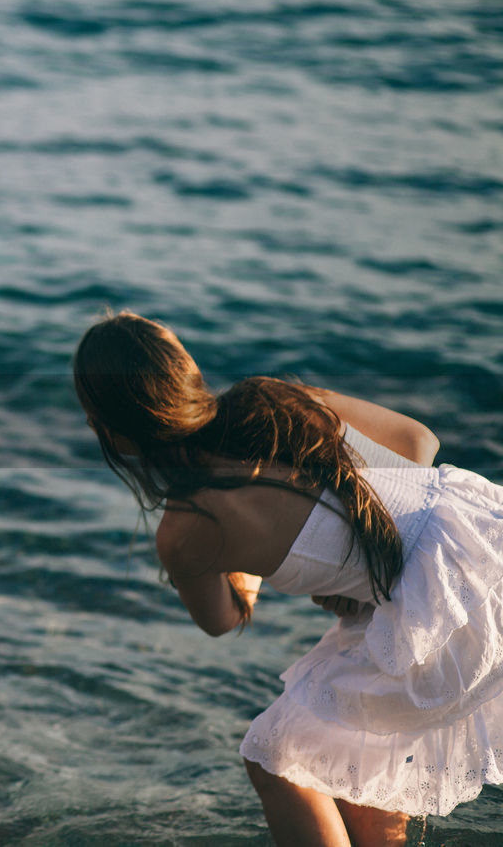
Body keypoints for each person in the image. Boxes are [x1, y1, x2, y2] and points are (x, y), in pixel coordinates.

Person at [72, 311, 503, 847]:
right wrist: (371, 553)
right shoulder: (273, 401)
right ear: (187, 374)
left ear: (109, 430)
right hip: (479, 540)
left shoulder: (186, 528)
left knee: (279, 760)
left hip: (438, 601)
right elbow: (418, 442)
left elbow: (221, 619)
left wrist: (249, 567)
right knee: (351, 766)